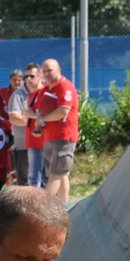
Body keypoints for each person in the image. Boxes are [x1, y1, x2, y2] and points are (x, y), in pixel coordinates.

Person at [33, 58, 80, 203]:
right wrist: (39, 124)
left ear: (59, 70)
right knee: (61, 174)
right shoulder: (45, 90)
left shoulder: (65, 86)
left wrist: (43, 119)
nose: (46, 74)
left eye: (50, 70)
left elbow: (62, 111)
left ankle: (44, 206)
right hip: (50, 136)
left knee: (55, 173)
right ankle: (63, 206)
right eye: (44, 71)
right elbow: (38, 112)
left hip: (64, 136)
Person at [21, 64, 47, 188]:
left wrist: (32, 115)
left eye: (32, 76)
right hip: (33, 141)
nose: (28, 79)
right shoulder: (32, 94)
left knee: (35, 179)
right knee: (36, 178)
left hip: (40, 142)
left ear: (40, 76)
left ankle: (36, 206)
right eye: (26, 76)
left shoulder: (43, 93)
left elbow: (46, 115)